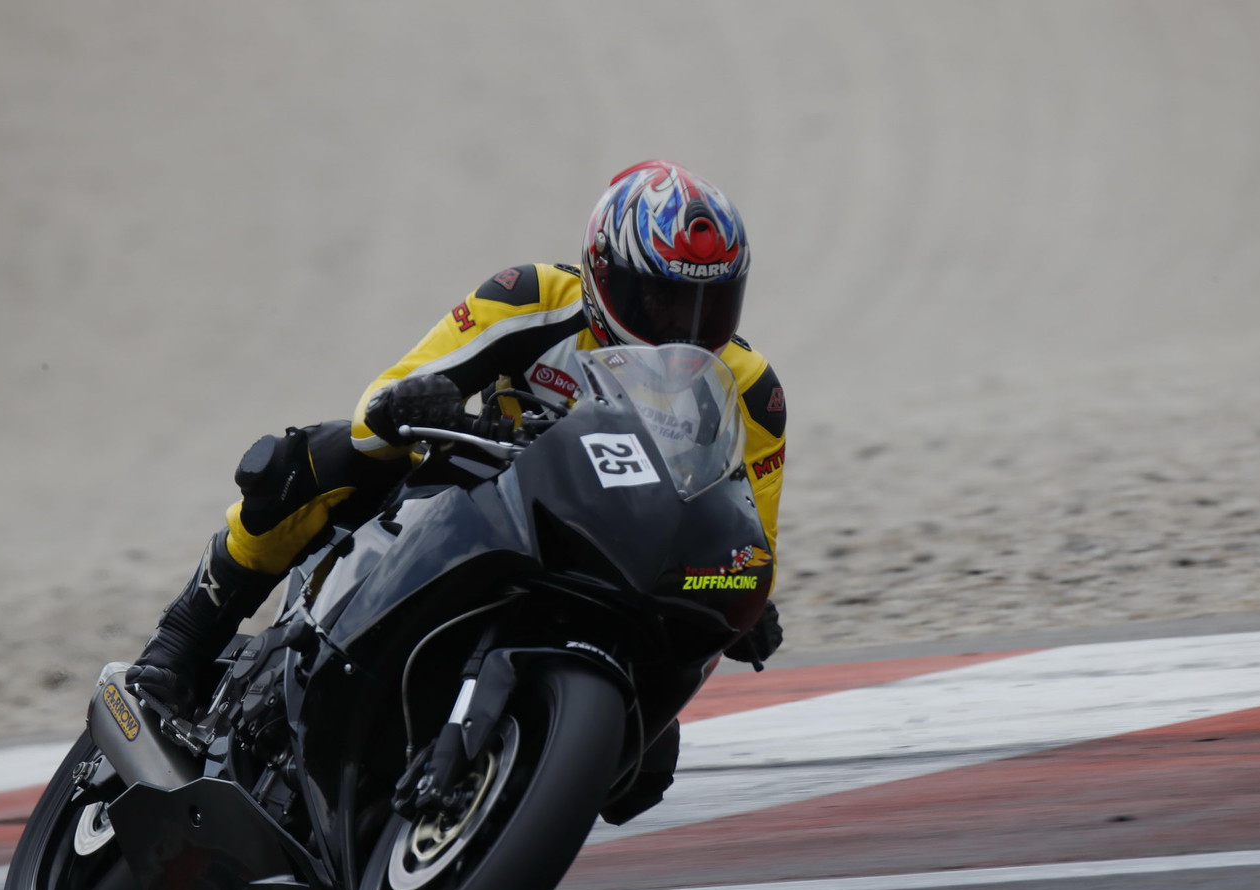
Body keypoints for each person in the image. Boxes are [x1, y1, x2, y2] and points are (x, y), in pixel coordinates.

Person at [126, 160, 787, 824]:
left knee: (643, 770)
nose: (683, 325)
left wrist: (747, 604)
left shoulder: (753, 392)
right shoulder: (531, 298)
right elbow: (387, 397)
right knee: (332, 454)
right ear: (603, 273)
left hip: (619, 560)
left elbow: (747, 534)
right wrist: (410, 404)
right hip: (487, 500)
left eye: (708, 304)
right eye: (662, 300)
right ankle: (185, 636)